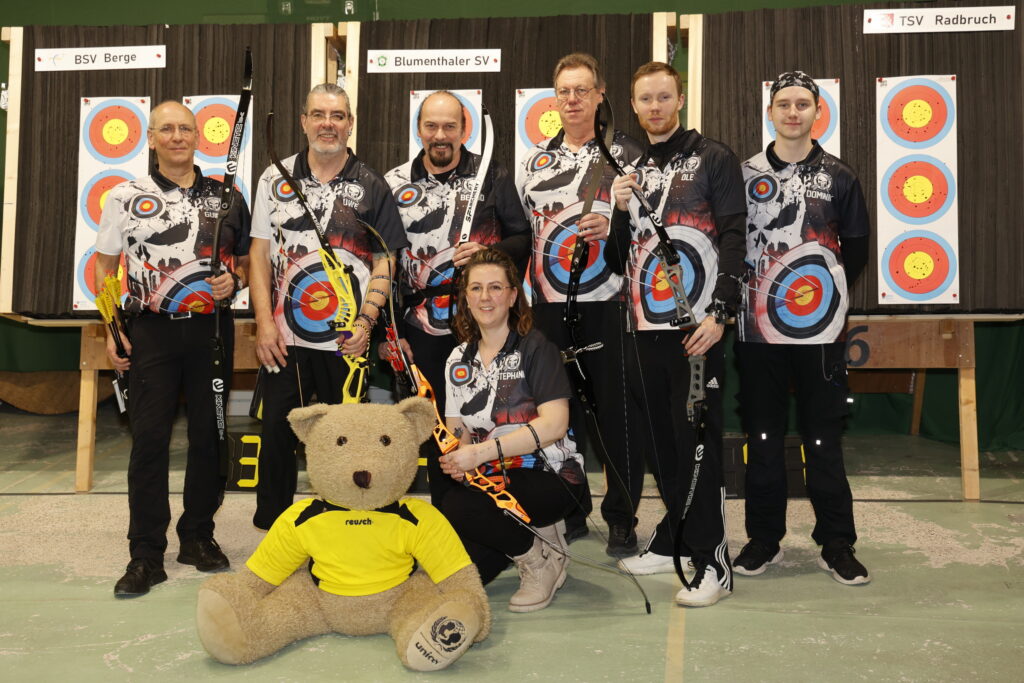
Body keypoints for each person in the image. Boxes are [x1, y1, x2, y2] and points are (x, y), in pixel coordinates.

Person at [95, 100, 251, 597]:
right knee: (149, 442)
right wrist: (111, 327)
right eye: (166, 129)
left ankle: (197, 536)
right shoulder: (125, 196)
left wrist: (235, 281)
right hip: (152, 332)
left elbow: (248, 262)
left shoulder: (228, 197)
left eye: (185, 128)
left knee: (210, 436)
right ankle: (145, 553)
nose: (177, 137)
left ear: (199, 136)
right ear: (151, 138)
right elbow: (104, 267)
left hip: (211, 331)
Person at [608, 62, 746, 607]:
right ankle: (675, 540)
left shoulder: (714, 157)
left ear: (680, 99)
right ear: (634, 106)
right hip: (644, 330)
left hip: (697, 331)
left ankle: (714, 562)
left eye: (664, 96)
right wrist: (619, 210)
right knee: (661, 446)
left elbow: (735, 235)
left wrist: (721, 313)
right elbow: (617, 260)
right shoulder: (631, 167)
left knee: (696, 447)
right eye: (645, 99)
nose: (655, 107)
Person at [249, 83, 407, 530]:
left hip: (347, 341)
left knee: (348, 440)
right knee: (277, 433)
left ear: (350, 124)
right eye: (318, 114)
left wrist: (367, 323)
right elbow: (258, 254)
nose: (327, 124)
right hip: (284, 339)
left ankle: (346, 525)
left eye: (337, 116)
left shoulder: (372, 184)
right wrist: (263, 324)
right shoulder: (273, 178)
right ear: (303, 121)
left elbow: (386, 259)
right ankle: (275, 529)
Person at [734, 71, 871, 585]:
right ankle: (763, 539)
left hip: (820, 331)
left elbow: (855, 249)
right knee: (763, 436)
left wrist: (818, 299)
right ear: (770, 112)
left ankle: (837, 543)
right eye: (784, 104)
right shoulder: (744, 173)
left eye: (803, 104)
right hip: (756, 331)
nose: (793, 113)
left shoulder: (840, 175)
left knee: (823, 437)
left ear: (817, 112)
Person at [517, 52, 644, 554]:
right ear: (554, 99)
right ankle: (570, 510)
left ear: (599, 95)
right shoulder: (533, 162)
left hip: (610, 304)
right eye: (564, 92)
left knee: (615, 417)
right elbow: (523, 236)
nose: (572, 100)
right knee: (557, 416)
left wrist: (615, 223)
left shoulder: (628, 155)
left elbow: (651, 232)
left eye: (582, 90)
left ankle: (621, 517)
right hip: (548, 308)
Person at [383, 90, 531, 506]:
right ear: (418, 130)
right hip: (421, 323)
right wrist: (389, 330)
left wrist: (490, 253)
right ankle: (444, 511)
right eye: (431, 126)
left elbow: (524, 238)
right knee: (433, 422)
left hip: (482, 321)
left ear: (465, 130)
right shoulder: (394, 183)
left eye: (450, 126)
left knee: (485, 415)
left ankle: (492, 506)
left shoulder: (492, 175)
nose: (440, 135)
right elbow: (383, 262)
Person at [437, 249, 586, 613]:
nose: (485, 297)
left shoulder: (537, 348)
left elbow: (554, 424)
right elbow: (459, 432)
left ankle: (539, 561)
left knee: (461, 507)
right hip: (492, 481)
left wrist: (479, 454)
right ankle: (538, 539)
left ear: (512, 295)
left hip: (551, 477)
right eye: (476, 288)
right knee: (470, 569)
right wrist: (457, 459)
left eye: (495, 287)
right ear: (465, 297)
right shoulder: (457, 359)